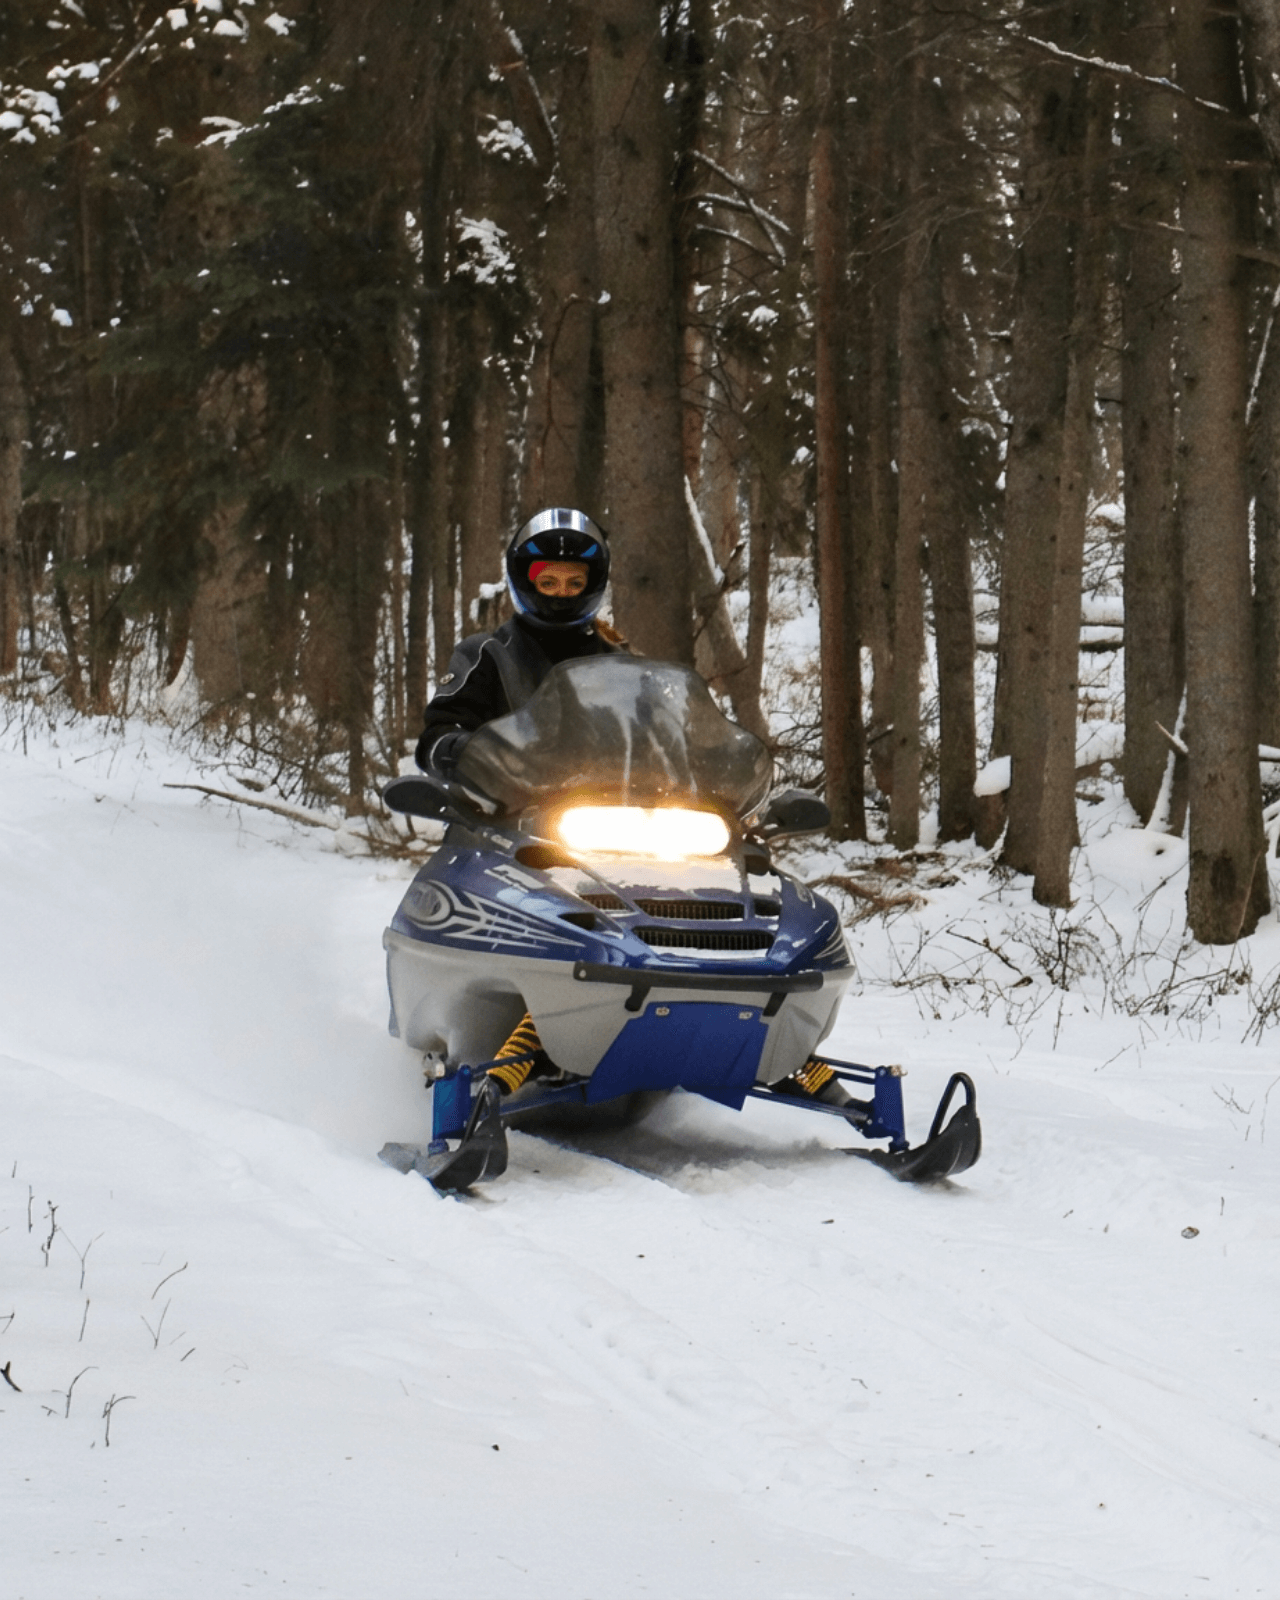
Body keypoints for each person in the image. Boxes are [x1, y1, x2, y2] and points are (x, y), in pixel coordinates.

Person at [416, 505, 861, 1119]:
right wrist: (462, 756)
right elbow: (439, 733)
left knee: (725, 899)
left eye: (574, 582)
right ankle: (510, 1052)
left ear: (594, 585)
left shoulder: (625, 664)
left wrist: (710, 773)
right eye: (549, 580)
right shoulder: (488, 655)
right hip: (515, 819)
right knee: (547, 920)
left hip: (619, 827)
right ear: (525, 580)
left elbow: (667, 740)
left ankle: (771, 1041)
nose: (561, 593)